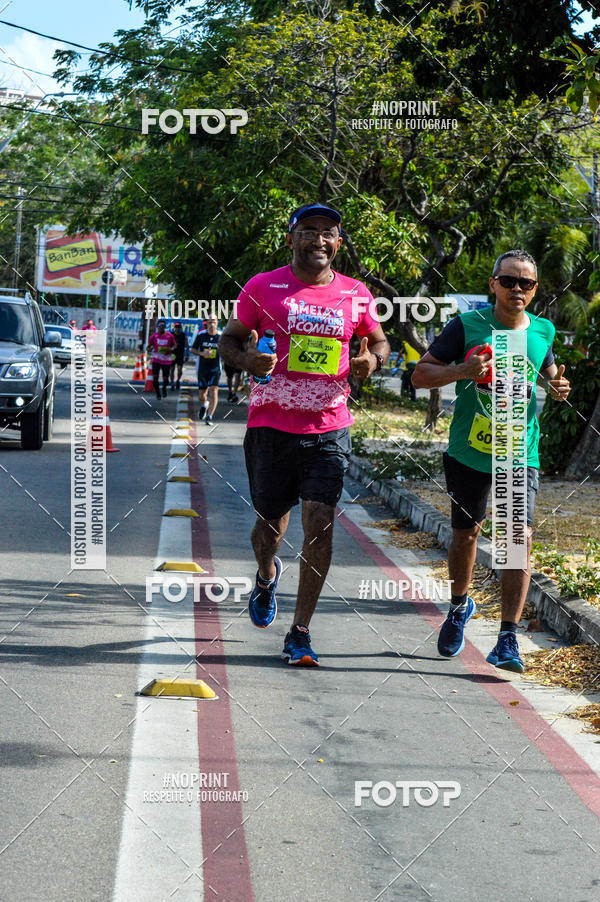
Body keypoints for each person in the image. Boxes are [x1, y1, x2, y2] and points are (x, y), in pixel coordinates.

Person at [219, 202, 390, 666]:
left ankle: (300, 632)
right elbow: (229, 340)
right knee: (270, 528)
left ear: (338, 243)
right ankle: (266, 574)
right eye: (309, 230)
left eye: (328, 233)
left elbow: (379, 342)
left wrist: (371, 361)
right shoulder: (261, 287)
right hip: (270, 426)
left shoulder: (355, 293)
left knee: (320, 521)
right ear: (291, 238)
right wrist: (246, 360)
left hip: (329, 428)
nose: (319, 239)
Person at [412, 250, 570, 673]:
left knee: (517, 540)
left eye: (527, 284)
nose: (517, 289)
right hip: (469, 452)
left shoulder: (543, 330)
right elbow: (420, 375)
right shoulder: (467, 325)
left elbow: (549, 373)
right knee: (466, 536)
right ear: (493, 283)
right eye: (509, 281)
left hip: (519, 453)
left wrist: (558, 386)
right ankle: (460, 606)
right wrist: (465, 370)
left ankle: (507, 638)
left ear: (535, 290)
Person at [191, 314, 222, 424]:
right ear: (206, 323)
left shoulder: (221, 336)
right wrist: (202, 353)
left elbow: (227, 351)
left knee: (214, 391)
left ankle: (209, 416)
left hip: (215, 368)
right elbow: (193, 350)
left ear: (217, 322)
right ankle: (204, 405)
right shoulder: (201, 335)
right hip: (202, 368)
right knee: (201, 395)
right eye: (209, 322)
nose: (211, 324)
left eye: (213, 321)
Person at [147, 319, 176, 400]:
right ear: (157, 326)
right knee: (155, 377)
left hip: (166, 360)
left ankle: (164, 388)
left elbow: (175, 345)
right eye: (160, 326)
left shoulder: (170, 336)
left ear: (165, 326)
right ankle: (158, 393)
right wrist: (149, 349)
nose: (161, 327)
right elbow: (149, 346)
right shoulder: (154, 336)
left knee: (166, 379)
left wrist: (171, 349)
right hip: (156, 359)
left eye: (163, 326)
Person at [169, 322, 189, 391]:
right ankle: (172, 383)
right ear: (174, 328)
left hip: (180, 354)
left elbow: (187, 345)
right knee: (172, 369)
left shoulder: (184, 335)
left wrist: (187, 354)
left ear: (180, 328)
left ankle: (177, 380)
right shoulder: (171, 335)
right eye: (176, 327)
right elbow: (168, 343)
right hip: (173, 354)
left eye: (178, 327)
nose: (177, 329)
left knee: (180, 369)